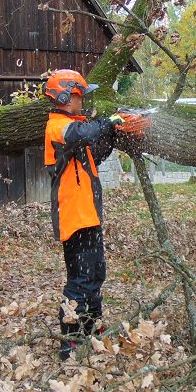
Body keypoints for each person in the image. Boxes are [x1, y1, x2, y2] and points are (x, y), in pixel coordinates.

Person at [43, 69, 148, 360]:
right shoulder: (59, 127)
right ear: (66, 96)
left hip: (87, 215)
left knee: (96, 273)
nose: (83, 101)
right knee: (80, 279)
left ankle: (90, 326)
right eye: (80, 96)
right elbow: (85, 132)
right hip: (74, 217)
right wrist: (108, 121)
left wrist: (114, 132)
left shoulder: (75, 131)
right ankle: (71, 341)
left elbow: (94, 152)